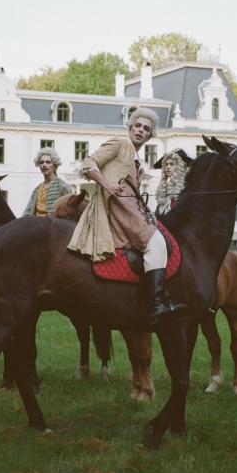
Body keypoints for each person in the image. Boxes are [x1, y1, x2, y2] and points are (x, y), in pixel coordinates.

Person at [68, 108, 185, 326]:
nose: (141, 131)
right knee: (156, 243)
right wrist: (107, 184)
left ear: (150, 135)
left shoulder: (138, 161)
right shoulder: (119, 144)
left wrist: (146, 207)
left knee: (166, 236)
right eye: (138, 126)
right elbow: (88, 163)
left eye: (146, 129)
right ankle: (155, 303)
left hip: (131, 209)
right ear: (130, 128)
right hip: (114, 207)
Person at [23, 147, 73, 217]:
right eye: (41, 162)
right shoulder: (37, 189)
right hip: (35, 225)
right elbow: (27, 211)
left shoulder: (63, 186)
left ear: (54, 166)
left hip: (53, 226)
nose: (44, 165)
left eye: (48, 162)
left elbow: (67, 214)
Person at [154, 150, 189, 216]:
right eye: (166, 164)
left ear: (180, 167)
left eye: (172, 164)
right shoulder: (164, 189)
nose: (168, 167)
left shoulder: (187, 188)